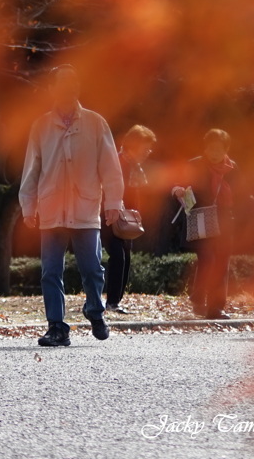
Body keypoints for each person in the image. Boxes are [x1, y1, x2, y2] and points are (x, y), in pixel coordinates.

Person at [19, 65, 125, 347]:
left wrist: (114, 202)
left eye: (71, 85)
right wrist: (28, 205)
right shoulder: (41, 125)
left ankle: (95, 310)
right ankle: (57, 327)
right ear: (52, 90)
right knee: (50, 272)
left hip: (85, 208)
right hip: (51, 209)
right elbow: (32, 169)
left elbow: (110, 167)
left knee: (92, 268)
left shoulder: (95, 123)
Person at [171, 129, 254, 320]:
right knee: (208, 259)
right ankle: (199, 296)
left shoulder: (232, 168)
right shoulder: (196, 165)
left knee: (222, 264)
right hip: (201, 218)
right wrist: (177, 190)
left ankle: (215, 309)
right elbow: (177, 182)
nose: (213, 153)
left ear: (226, 149)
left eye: (218, 149)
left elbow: (245, 194)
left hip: (225, 220)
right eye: (210, 148)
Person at [104, 125, 157, 314]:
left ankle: (115, 301)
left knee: (125, 256)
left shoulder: (135, 167)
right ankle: (111, 302)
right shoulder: (117, 162)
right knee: (118, 255)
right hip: (111, 215)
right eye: (145, 147)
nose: (147, 152)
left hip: (127, 218)